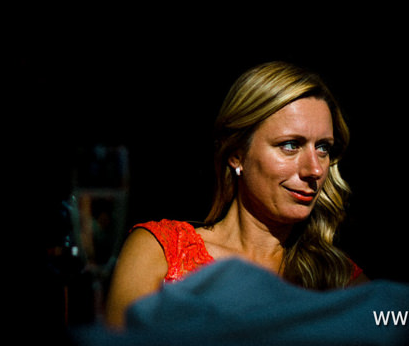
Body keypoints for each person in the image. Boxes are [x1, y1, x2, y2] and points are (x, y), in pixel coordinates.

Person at [104, 62, 368, 330]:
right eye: (290, 145)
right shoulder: (161, 250)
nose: (314, 169)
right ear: (237, 155)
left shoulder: (336, 274)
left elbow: (406, 324)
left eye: (323, 148)